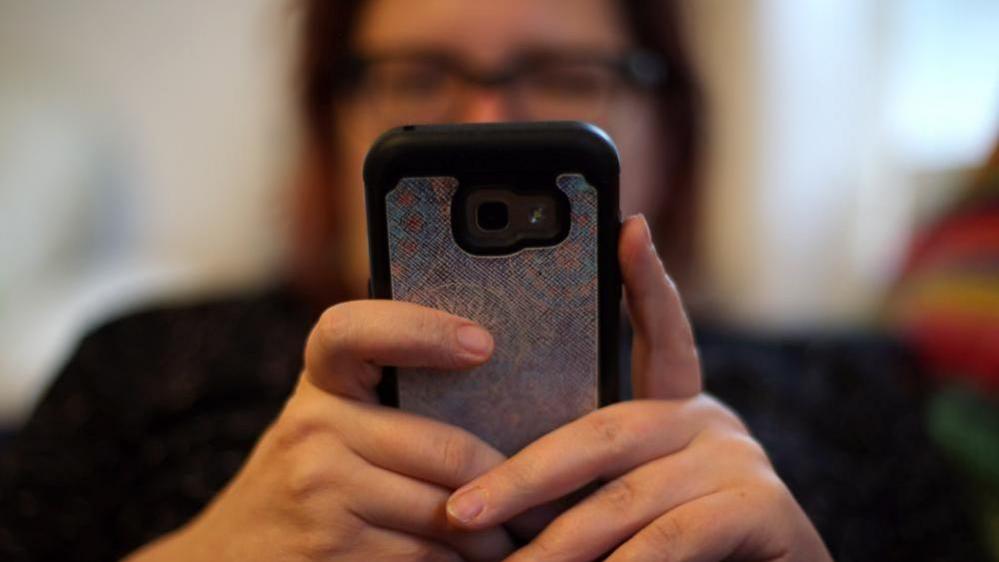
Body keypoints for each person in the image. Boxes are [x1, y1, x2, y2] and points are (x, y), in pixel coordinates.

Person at [0, 1, 985, 560]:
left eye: (562, 74)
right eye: (419, 76)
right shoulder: (138, 362)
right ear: (330, 120)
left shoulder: (856, 387)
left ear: (669, 131)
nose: (482, 118)